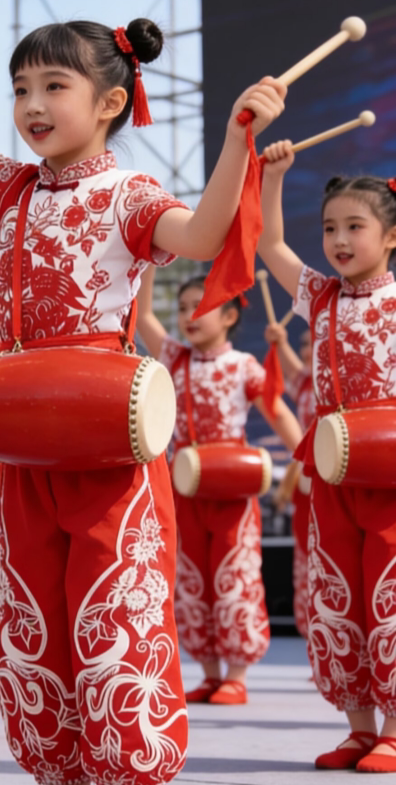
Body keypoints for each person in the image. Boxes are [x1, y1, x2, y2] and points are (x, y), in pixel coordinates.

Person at [0, 0, 286, 780]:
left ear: (112, 100)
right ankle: (60, 767)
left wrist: (235, 141)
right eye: (21, 88)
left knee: (113, 609)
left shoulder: (129, 197)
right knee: (32, 616)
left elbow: (203, 236)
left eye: (55, 87)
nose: (33, 105)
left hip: (103, 432)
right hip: (23, 438)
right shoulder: (9, 191)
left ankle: (126, 767)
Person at [259, 142, 396, 773]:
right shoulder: (319, 298)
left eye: (354, 227)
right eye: (330, 228)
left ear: (390, 237)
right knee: (339, 597)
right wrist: (274, 179)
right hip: (334, 477)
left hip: (392, 477)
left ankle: (394, 728)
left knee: (390, 596)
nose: (338, 240)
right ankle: (359, 727)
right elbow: (270, 247)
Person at [136, 269, 302, 704]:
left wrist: (306, 458)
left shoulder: (242, 366)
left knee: (235, 575)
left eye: (202, 306)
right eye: (186, 306)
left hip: (232, 489)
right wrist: (147, 263)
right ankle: (209, 672)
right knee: (191, 579)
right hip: (184, 490)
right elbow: (144, 317)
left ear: (229, 316)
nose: (191, 314)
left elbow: (277, 412)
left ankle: (237, 675)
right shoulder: (173, 358)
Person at [264, 321, 314, 641]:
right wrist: (280, 344)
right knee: (309, 565)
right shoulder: (309, 383)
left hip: (351, 480)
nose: (308, 349)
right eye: (304, 343)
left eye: (314, 342)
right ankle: (322, 647)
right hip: (311, 484)